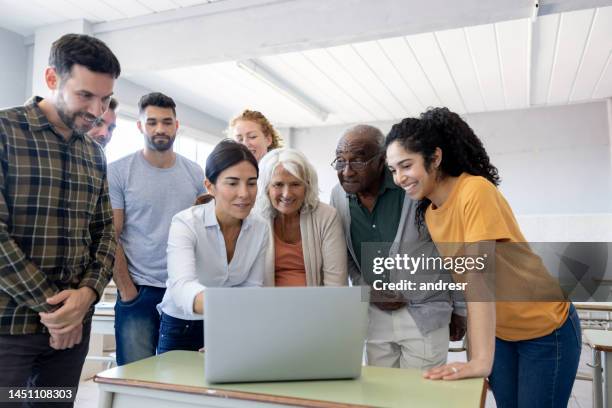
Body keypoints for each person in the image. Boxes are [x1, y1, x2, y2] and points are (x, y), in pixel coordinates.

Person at [385, 107, 581, 407]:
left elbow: (479, 279)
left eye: (406, 165)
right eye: (393, 169)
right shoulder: (432, 212)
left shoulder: (474, 191)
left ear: (435, 157)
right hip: (501, 334)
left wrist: (480, 361)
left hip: (544, 328)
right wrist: (476, 354)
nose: (399, 178)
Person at [0, 33, 119, 405]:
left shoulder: (94, 155)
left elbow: (104, 234)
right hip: (9, 333)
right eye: (86, 96)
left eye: (105, 99)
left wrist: (86, 298)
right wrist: (57, 310)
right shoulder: (5, 132)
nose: (97, 110)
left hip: (70, 339)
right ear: (53, 80)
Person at [330, 124, 466, 371]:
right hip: (375, 316)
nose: (347, 171)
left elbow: (451, 251)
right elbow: (346, 255)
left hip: (425, 313)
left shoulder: (414, 188)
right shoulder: (338, 197)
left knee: (420, 397)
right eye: (340, 161)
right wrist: (367, 291)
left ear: (382, 160)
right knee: (381, 396)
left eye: (358, 161)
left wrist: (460, 309)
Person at [108, 92, 205, 365]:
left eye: (166, 121)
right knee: (134, 376)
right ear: (140, 126)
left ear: (177, 125)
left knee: (183, 375)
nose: (160, 129)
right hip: (139, 291)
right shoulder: (118, 171)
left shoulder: (195, 173)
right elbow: (110, 235)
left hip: (184, 291)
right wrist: (128, 292)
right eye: (151, 122)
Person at [157, 139, 269, 353]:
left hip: (231, 325)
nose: (244, 193)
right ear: (210, 186)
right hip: (183, 326)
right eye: (232, 183)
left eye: (252, 183)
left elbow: (252, 286)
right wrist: (228, 309)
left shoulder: (260, 227)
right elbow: (182, 287)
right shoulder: (185, 223)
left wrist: (231, 328)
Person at [255, 148, 348, 287]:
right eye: (278, 184)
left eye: (295, 184)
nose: (287, 194)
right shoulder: (253, 219)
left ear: (307, 186)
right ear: (266, 188)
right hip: (266, 305)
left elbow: (336, 283)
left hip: (316, 306)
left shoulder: (327, 217)